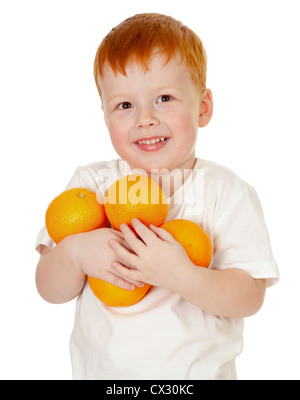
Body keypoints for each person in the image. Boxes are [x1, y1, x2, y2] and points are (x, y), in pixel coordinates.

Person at [35, 13, 279, 380]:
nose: (145, 119)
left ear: (203, 107)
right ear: (105, 117)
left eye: (164, 98)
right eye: (125, 105)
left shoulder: (225, 192)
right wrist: (74, 252)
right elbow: (48, 290)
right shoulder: (92, 186)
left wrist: (181, 275)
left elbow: (249, 297)